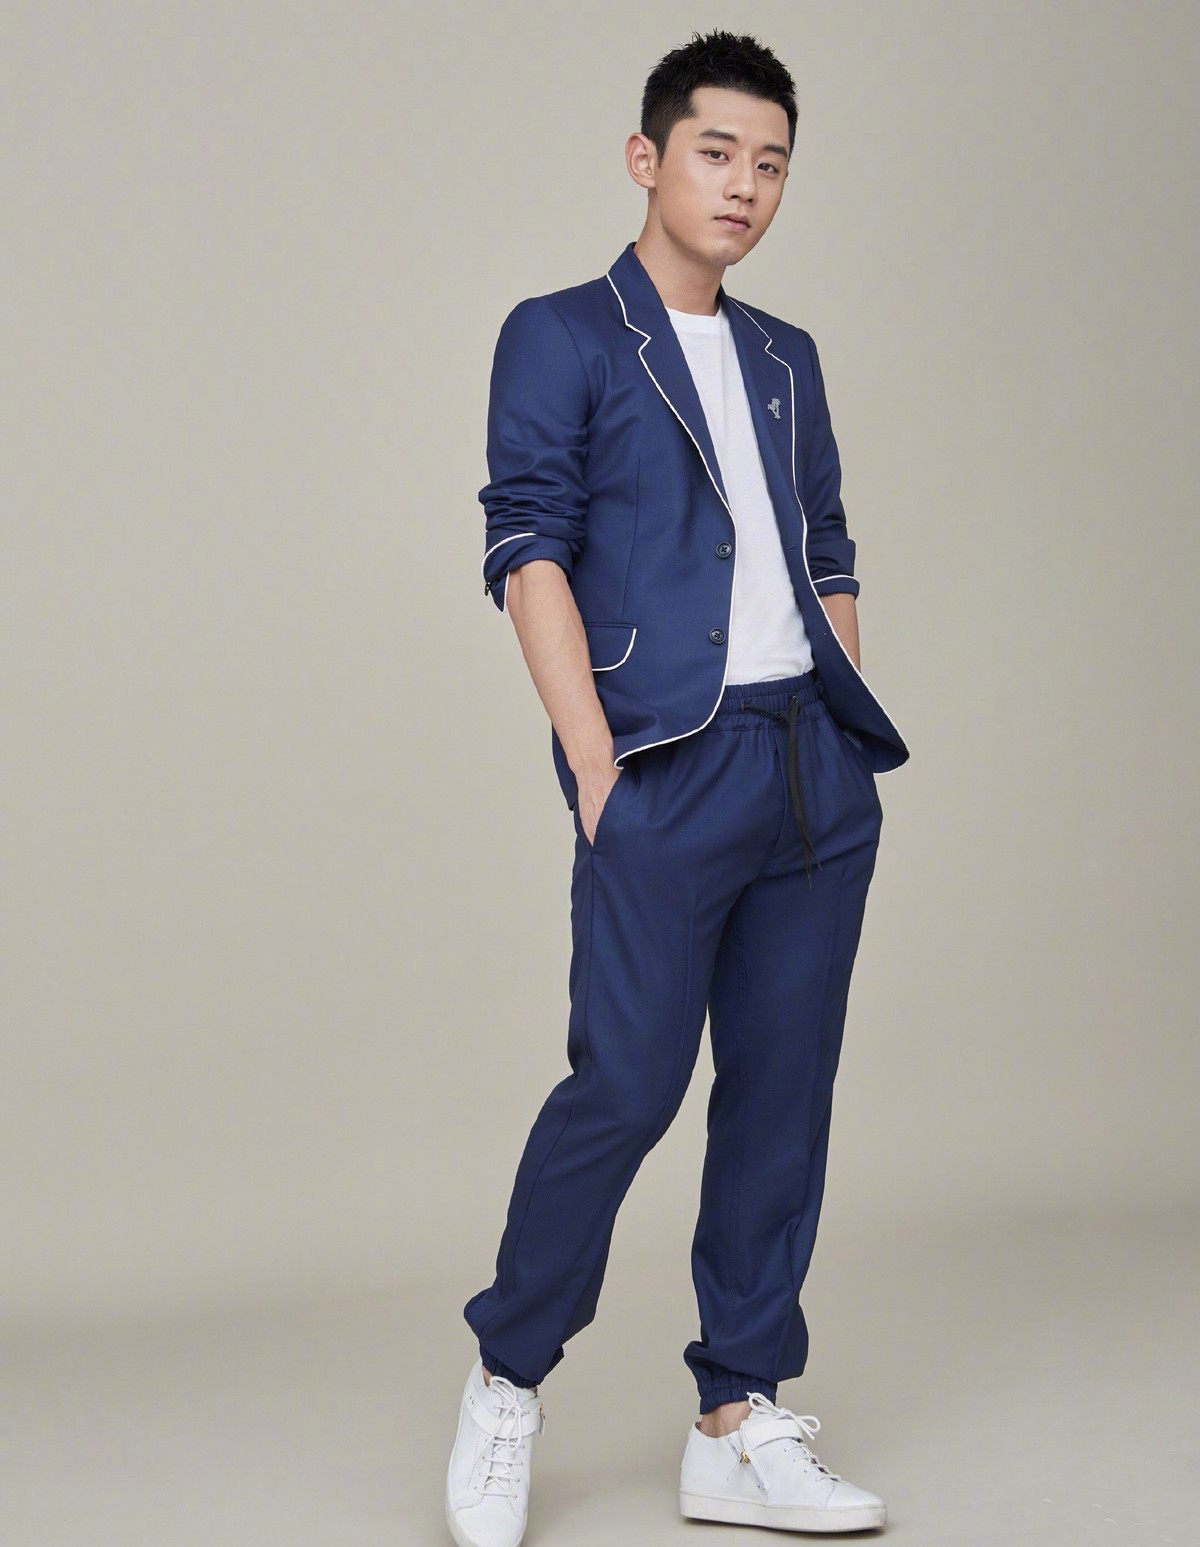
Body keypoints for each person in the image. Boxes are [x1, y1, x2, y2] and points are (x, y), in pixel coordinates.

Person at [445, 28, 909, 1546]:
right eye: (717, 153)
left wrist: (838, 712)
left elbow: (826, 546)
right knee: (628, 1085)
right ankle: (508, 1375)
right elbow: (528, 544)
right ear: (648, 159)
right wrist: (595, 761)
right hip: (662, 768)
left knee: (782, 1093)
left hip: (807, 770)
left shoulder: (787, 357)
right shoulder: (563, 334)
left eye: (771, 164)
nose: (745, 187)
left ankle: (737, 1416)